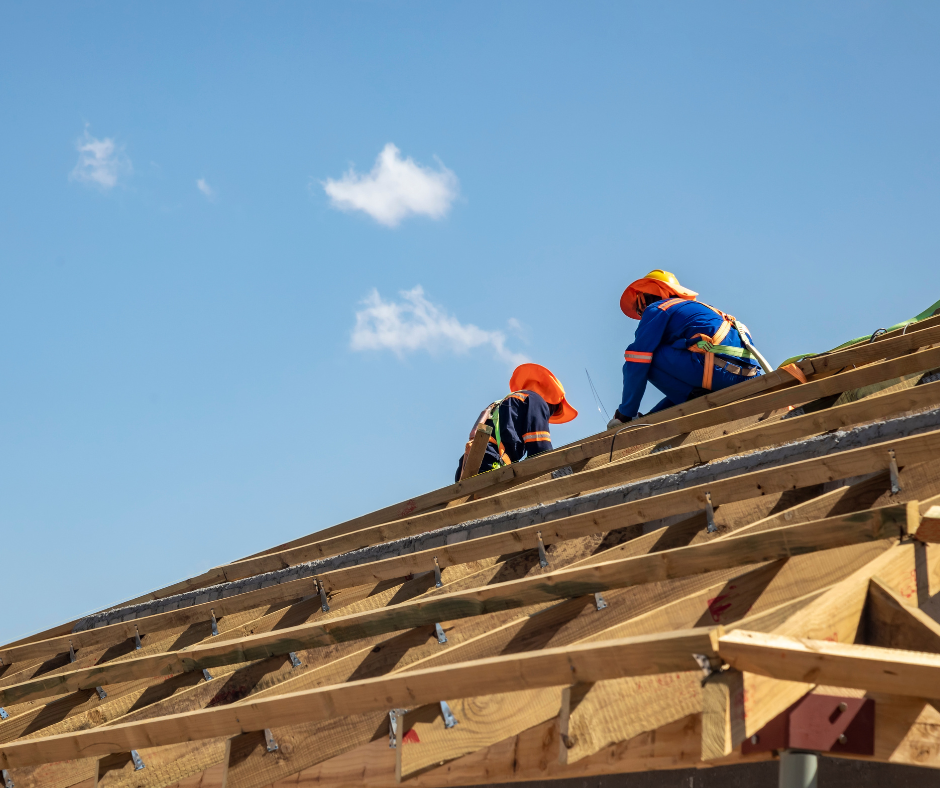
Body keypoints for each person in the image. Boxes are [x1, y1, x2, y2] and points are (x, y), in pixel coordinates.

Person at [607, 270, 764, 428]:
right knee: (664, 354)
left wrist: (625, 415)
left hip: (717, 373)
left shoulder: (658, 308)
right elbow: (688, 391)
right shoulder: (699, 311)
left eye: (639, 306)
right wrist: (649, 418)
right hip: (746, 377)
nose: (641, 313)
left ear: (649, 294)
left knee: (645, 356)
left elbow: (637, 361)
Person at [456, 363, 578, 481]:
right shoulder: (536, 401)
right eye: (552, 410)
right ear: (551, 401)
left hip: (466, 467)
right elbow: (541, 451)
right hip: (490, 466)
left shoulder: (503, 402)